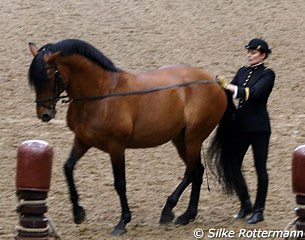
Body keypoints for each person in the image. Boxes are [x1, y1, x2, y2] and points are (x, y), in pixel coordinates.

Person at [218, 38, 275, 224]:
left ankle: (259, 210)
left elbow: (253, 92)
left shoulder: (268, 74)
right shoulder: (242, 72)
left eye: (254, 52)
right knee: (233, 165)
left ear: (263, 55)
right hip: (241, 126)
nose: (250, 55)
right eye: (249, 52)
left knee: (260, 169)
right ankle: (245, 203)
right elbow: (228, 91)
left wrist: (227, 86)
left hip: (259, 128)